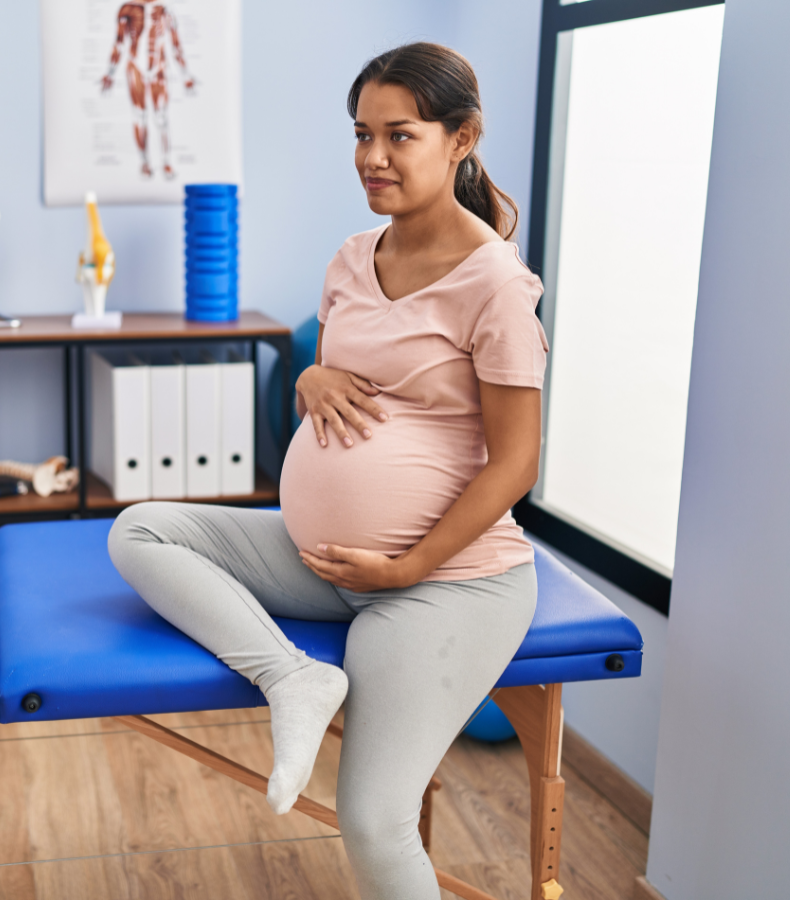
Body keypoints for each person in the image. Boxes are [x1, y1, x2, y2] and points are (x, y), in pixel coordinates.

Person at [109, 42, 548, 900]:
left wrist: (410, 565)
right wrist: (309, 375)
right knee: (143, 530)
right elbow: (341, 377)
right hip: (326, 567)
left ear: (461, 139)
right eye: (360, 135)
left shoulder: (497, 285)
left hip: (443, 582)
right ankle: (293, 678)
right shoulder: (351, 258)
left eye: (400, 136)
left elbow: (518, 460)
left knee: (374, 822)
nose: (371, 159)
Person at [101, 1, 196, 180]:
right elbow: (119, 43)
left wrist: (185, 75)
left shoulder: (165, 9)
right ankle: (145, 162)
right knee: (139, 116)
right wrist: (110, 73)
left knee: (161, 117)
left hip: (157, 67)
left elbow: (175, 42)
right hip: (136, 66)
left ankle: (166, 162)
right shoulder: (127, 9)